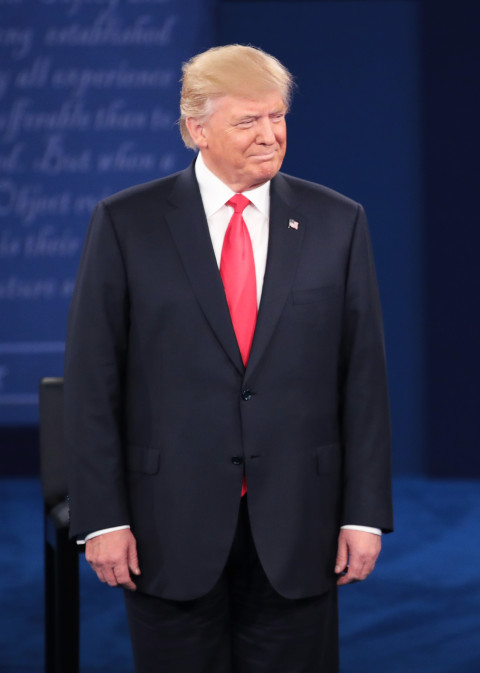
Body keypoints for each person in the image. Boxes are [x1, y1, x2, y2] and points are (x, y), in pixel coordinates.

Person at [64, 44, 393, 672]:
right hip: (167, 527)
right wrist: (101, 519)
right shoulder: (126, 223)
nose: (270, 136)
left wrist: (365, 514)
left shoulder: (337, 222)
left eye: (277, 117)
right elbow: (92, 382)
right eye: (247, 122)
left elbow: (363, 379)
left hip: (302, 526)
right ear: (196, 129)